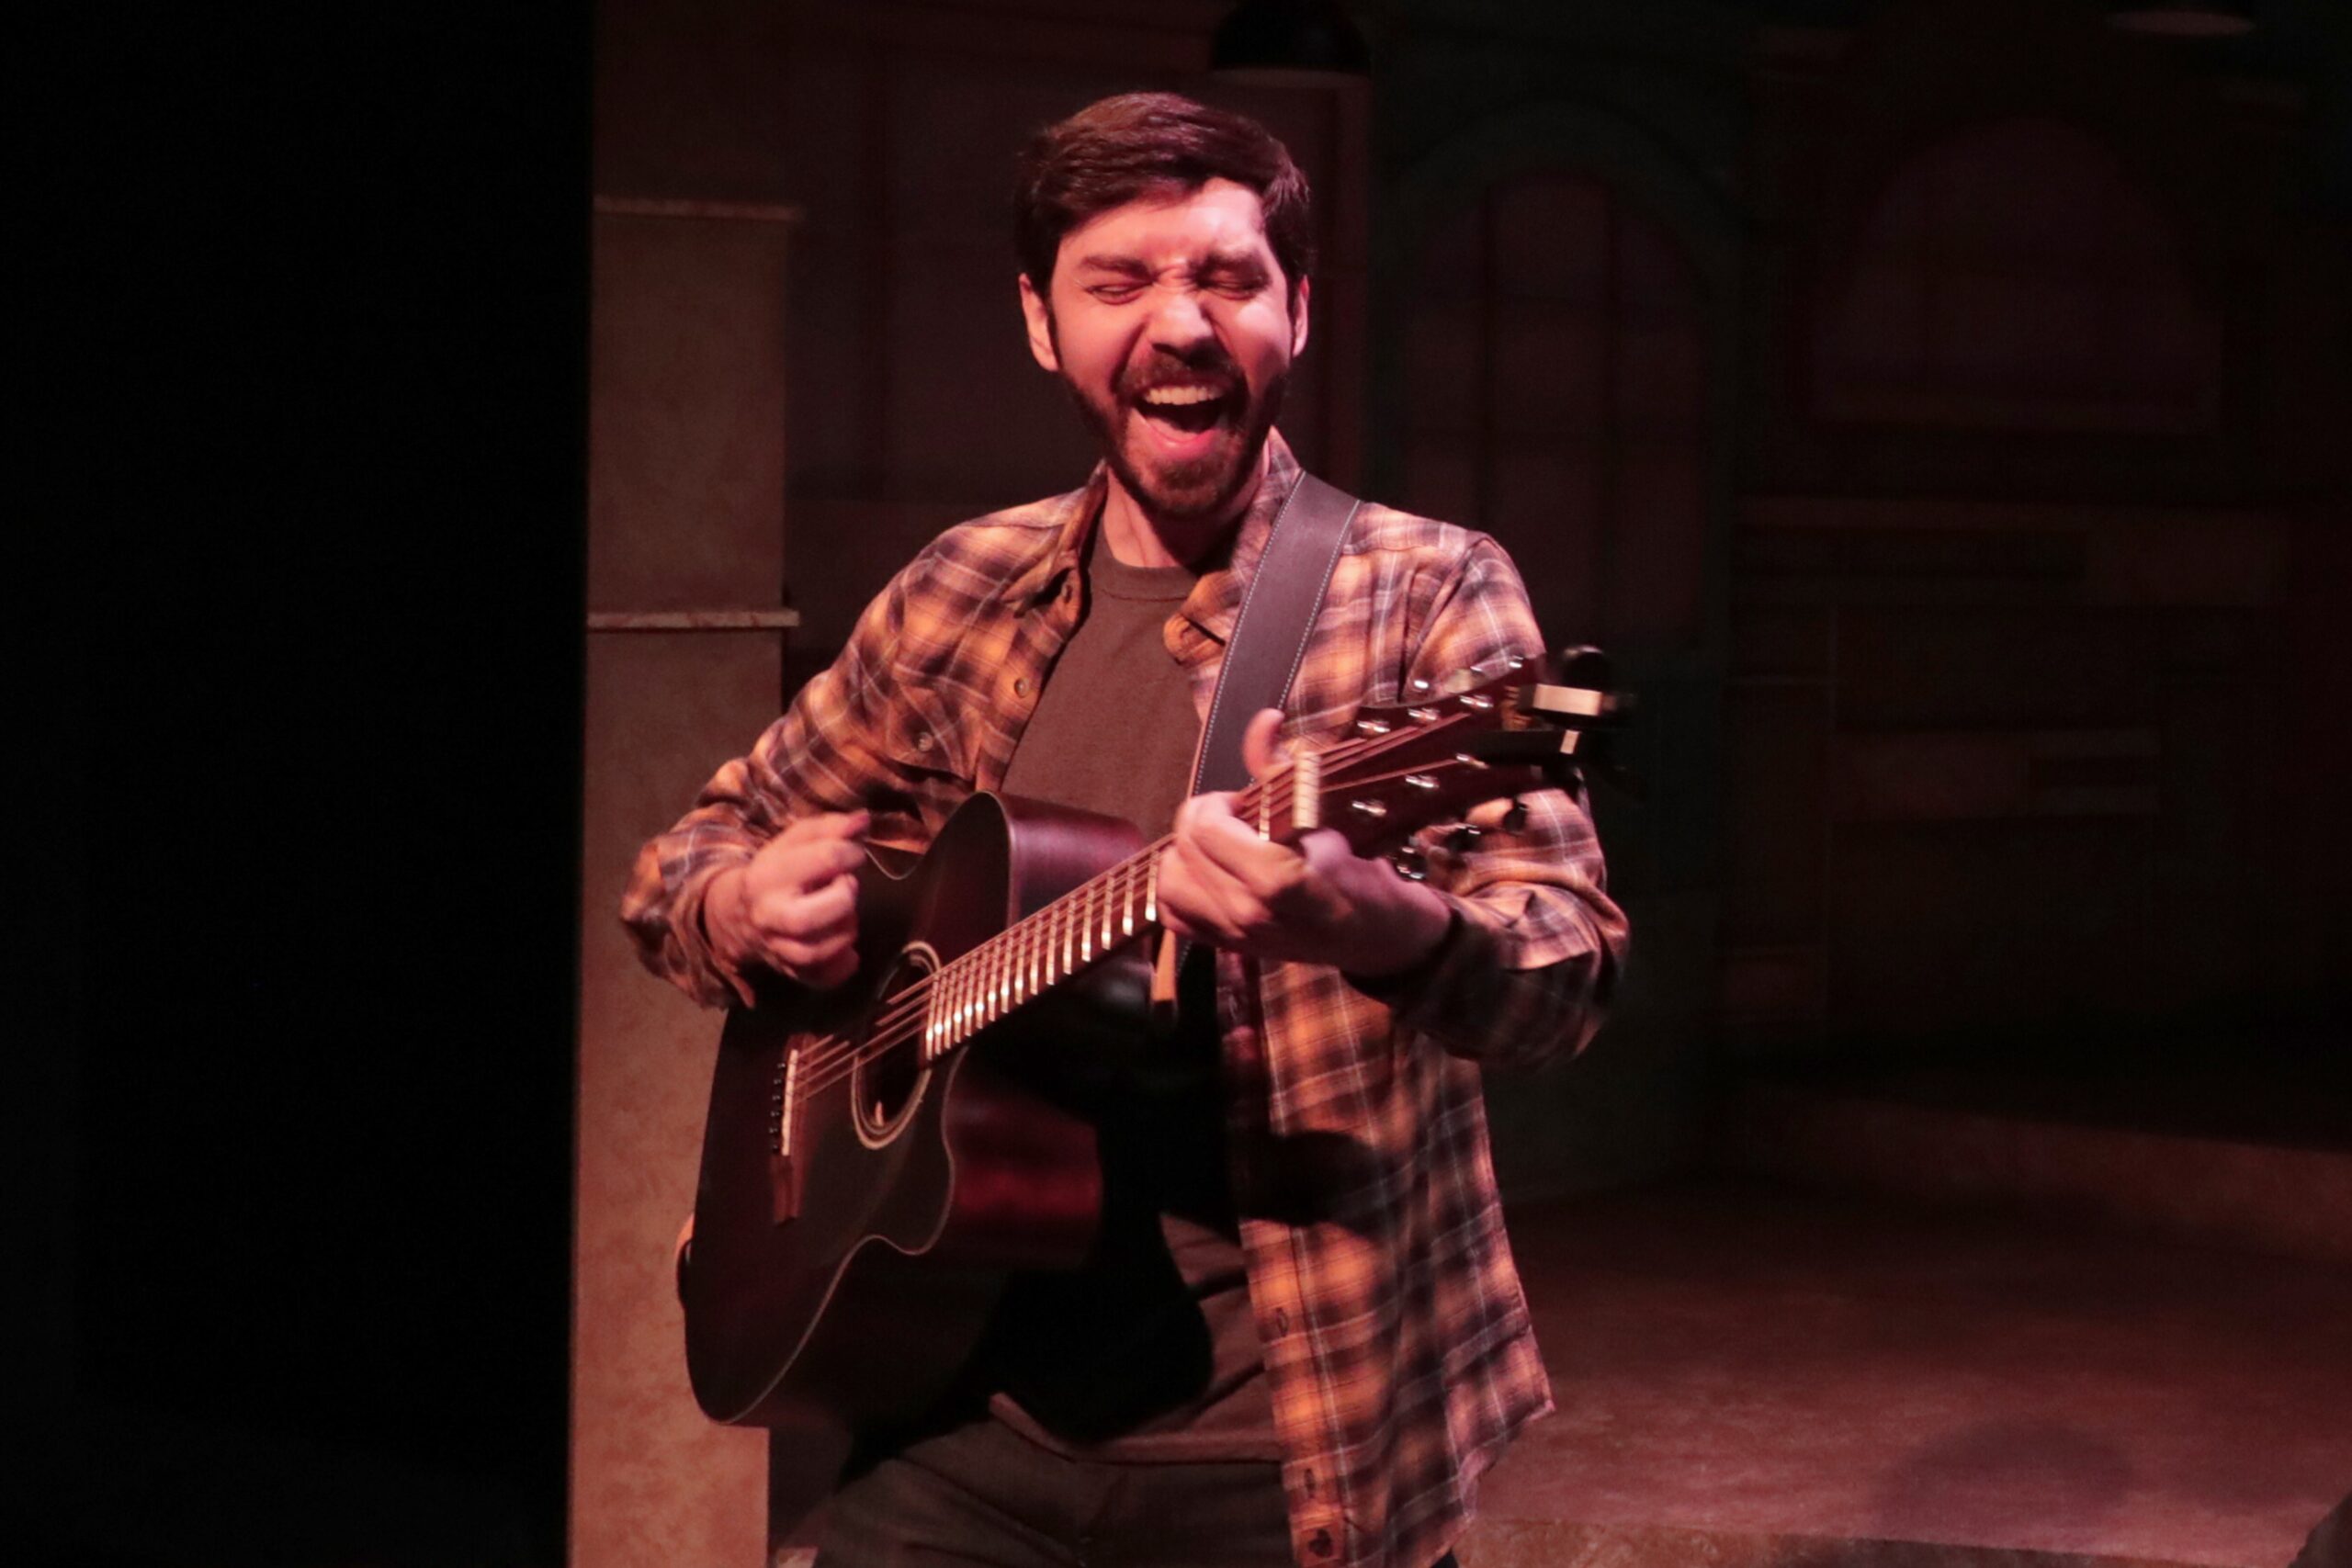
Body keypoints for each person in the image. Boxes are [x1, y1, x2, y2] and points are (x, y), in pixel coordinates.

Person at [622, 92, 1627, 1568]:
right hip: (947, 1411)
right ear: (1042, 322)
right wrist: (742, 905)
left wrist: (1376, 923)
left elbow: (1566, 970)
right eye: (1120, 282)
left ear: (1299, 310)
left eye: (1227, 278)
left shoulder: (1424, 590)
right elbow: (681, 867)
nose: (1181, 325)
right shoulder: (966, 585)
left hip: (1288, 1451)